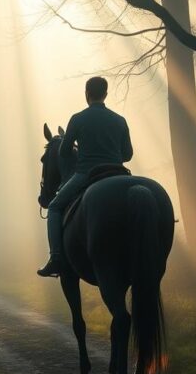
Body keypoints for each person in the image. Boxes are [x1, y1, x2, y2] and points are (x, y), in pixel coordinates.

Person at [38, 76, 133, 277]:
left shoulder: (78, 119)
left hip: (86, 174)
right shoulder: (119, 120)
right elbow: (128, 155)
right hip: (118, 173)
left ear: (86, 94)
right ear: (105, 94)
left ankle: (56, 258)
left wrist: (78, 147)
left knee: (54, 207)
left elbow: (63, 153)